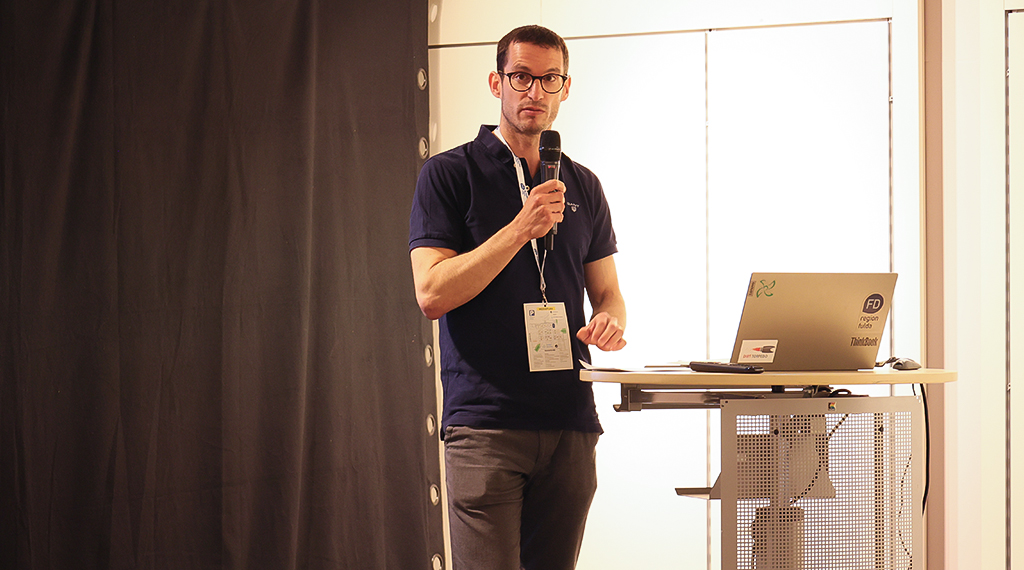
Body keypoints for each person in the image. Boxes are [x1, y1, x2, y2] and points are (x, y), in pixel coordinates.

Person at [408, 24, 626, 570]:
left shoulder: (583, 185)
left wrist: (609, 321)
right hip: (487, 423)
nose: (535, 91)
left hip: (569, 420)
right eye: (521, 77)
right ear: (496, 82)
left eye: (549, 79)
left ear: (566, 88)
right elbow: (431, 293)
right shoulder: (449, 174)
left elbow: (608, 293)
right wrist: (519, 228)